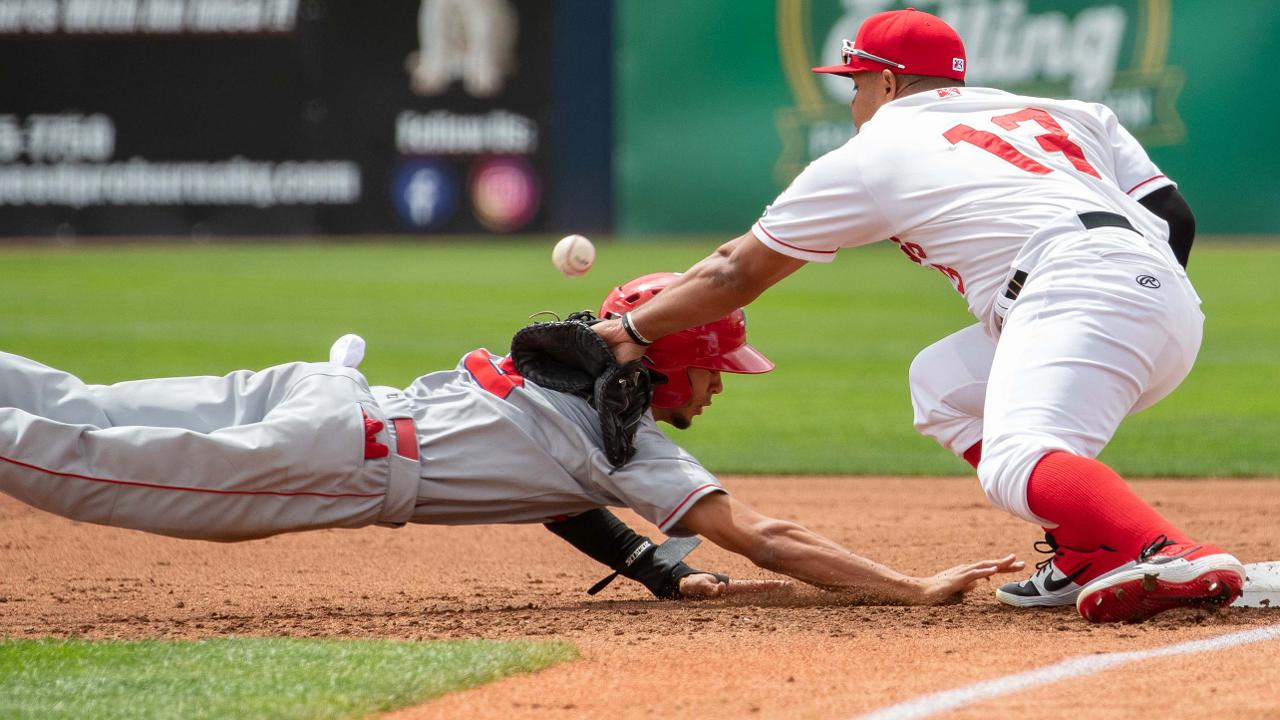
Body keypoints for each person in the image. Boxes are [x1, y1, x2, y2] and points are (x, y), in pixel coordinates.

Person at [593, 9, 1244, 623]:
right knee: (941, 385)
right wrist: (1141, 297)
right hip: (1162, 294)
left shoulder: (878, 148)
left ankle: (1165, 552)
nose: (852, 103)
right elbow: (1173, 216)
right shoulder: (1071, 111)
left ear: (887, 80)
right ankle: (1088, 550)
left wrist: (632, 328)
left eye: (853, 85)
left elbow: (736, 272)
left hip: (1075, 288)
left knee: (1016, 460)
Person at [0, 272, 1022, 606]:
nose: (720, 388)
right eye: (715, 368)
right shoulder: (637, 451)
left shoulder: (568, 369)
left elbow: (551, 478)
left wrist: (650, 566)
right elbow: (768, 537)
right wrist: (908, 587)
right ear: (673, 364)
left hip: (325, 392)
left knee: (80, 403)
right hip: (329, 462)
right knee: (82, 467)